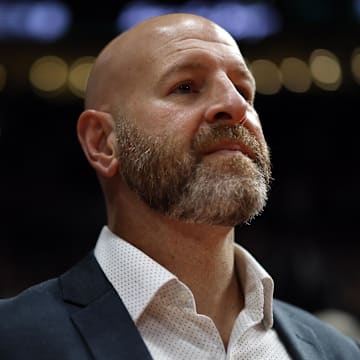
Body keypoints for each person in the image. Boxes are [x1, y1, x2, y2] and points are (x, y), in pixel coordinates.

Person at [0, 13, 359, 360]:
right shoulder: (13, 340)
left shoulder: (337, 351)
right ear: (103, 143)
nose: (235, 106)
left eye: (244, 90)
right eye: (185, 87)